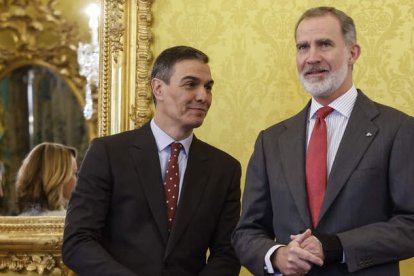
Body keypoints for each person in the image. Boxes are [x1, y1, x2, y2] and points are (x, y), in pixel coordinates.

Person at [232, 6, 414, 276]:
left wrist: (336, 246)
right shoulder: (270, 141)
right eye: (302, 47)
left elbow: (410, 223)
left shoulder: (398, 129)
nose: (312, 57)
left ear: (353, 53)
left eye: (325, 44)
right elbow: (247, 231)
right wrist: (276, 256)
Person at [62, 46, 242, 276]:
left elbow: (227, 253)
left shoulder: (224, 168)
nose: (203, 96)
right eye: (191, 84)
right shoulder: (108, 153)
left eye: (208, 87)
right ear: (158, 88)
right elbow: (78, 242)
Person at [16, 142, 78, 216]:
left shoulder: (16, 222)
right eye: (74, 173)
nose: (77, 180)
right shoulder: (71, 221)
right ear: (58, 178)